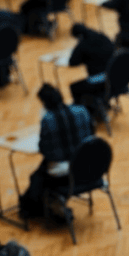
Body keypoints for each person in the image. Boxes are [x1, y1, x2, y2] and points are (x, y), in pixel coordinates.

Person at [18, 84, 93, 220]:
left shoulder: (48, 120)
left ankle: (39, 207)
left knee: (38, 177)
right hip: (87, 167)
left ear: (44, 103)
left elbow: (45, 150)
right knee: (38, 175)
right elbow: (92, 137)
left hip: (64, 172)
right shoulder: (81, 111)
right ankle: (50, 205)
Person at [67, 22, 116, 110]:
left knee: (74, 87)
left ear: (79, 36)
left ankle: (86, 113)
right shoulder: (103, 37)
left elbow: (72, 62)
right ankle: (101, 104)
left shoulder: (83, 44)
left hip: (100, 80)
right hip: (115, 77)